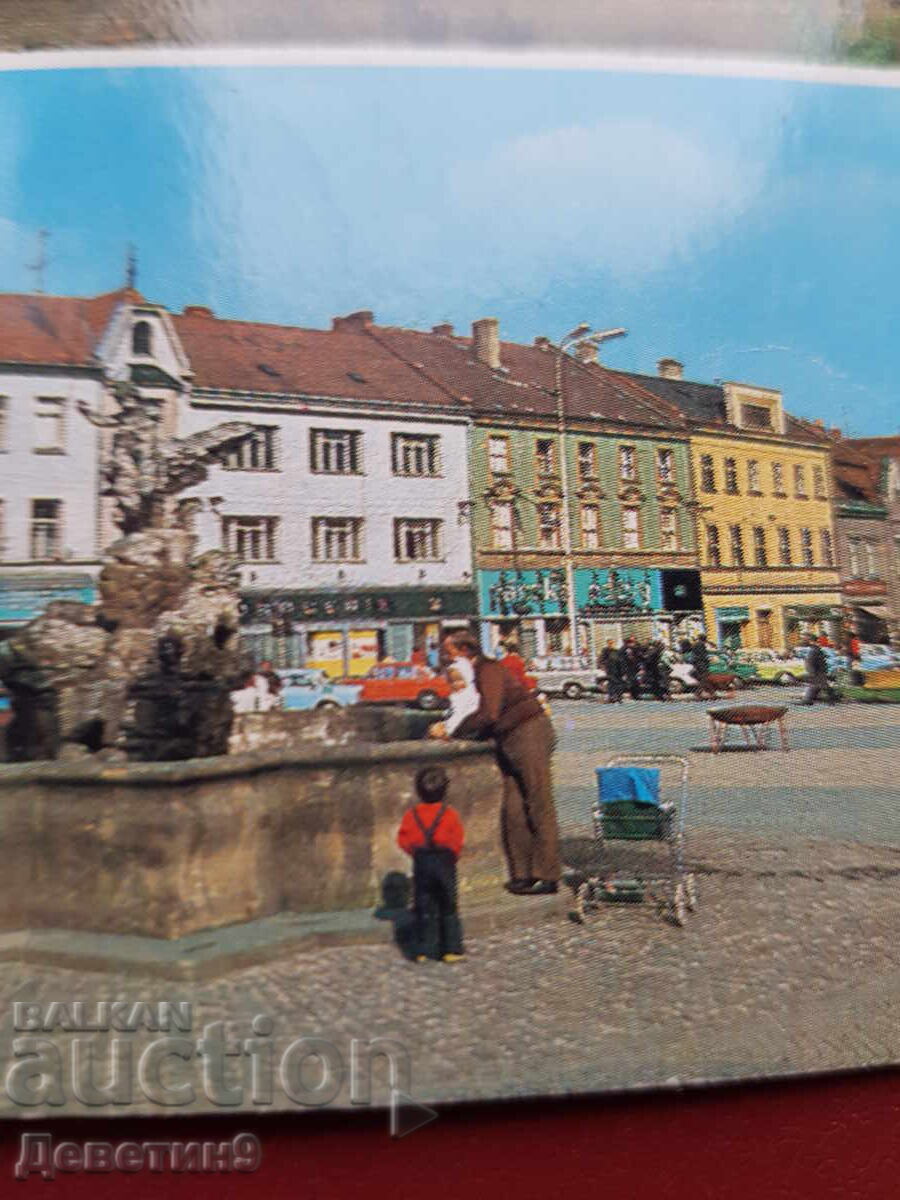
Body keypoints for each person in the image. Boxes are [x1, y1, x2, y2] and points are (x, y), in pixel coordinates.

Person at [429, 629, 560, 896]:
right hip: (509, 739)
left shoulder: (488, 669)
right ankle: (522, 873)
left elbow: (489, 713)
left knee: (538, 802)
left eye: (449, 652)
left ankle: (548, 874)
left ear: (466, 651)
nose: (445, 658)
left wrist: (454, 731)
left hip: (529, 732)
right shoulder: (473, 673)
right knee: (513, 809)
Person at [396, 765, 465, 963]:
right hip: (444, 861)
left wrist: (416, 853)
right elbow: (457, 840)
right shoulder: (449, 814)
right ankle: (451, 948)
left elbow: (403, 839)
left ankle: (424, 950)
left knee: (423, 905)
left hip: (422, 860)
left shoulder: (412, 815)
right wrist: (451, 856)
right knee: (448, 905)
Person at [442, 657, 481, 737]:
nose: (455, 684)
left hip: (464, 730)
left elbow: (460, 716)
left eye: (459, 680)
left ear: (468, 677)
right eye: (452, 681)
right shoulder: (457, 695)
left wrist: (447, 730)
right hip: (457, 727)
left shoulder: (468, 694)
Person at [799, 637, 838, 706]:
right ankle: (808, 700)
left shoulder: (813, 651)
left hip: (817, 672)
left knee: (818, 685)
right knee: (819, 686)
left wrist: (812, 672)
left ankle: (807, 700)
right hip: (820, 671)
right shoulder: (817, 650)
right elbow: (821, 662)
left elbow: (810, 663)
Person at [689, 634, 716, 700]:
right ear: (704, 638)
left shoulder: (695, 644)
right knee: (704, 679)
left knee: (704, 679)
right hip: (701, 664)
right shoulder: (701, 644)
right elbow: (702, 655)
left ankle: (712, 693)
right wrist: (708, 659)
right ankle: (698, 693)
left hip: (697, 664)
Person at [599, 639, 624, 704]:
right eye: (610, 643)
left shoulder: (616, 651)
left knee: (618, 684)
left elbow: (620, 661)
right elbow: (601, 660)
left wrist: (622, 670)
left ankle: (618, 697)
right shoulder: (605, 650)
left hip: (618, 670)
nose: (611, 644)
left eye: (612, 643)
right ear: (607, 643)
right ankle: (612, 697)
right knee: (611, 684)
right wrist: (604, 666)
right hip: (610, 670)